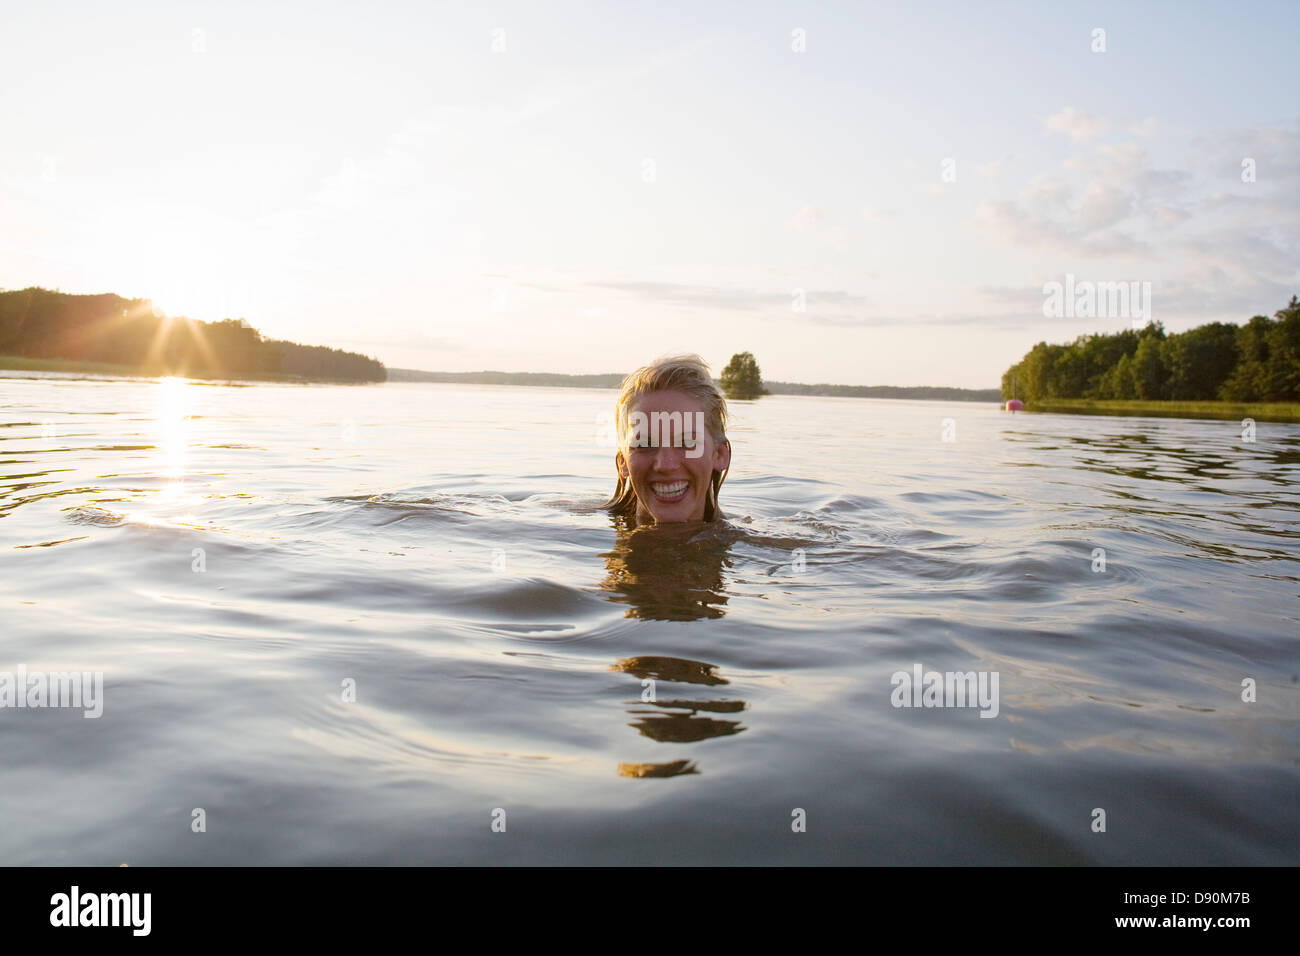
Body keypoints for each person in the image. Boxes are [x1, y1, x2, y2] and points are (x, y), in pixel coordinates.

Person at [604, 353, 731, 526]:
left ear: (719, 455)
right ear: (623, 463)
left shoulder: (760, 546)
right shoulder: (574, 531)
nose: (665, 465)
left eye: (686, 443)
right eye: (644, 444)